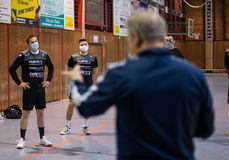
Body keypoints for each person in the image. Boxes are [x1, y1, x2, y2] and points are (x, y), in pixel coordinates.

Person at [64, 12, 214, 159]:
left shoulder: (120, 73)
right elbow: (206, 129)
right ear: (162, 38)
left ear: (135, 37)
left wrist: (77, 80)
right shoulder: (193, 74)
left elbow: (86, 107)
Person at [9, 35, 54, 149]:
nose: (35, 43)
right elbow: (11, 69)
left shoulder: (44, 54)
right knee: (26, 114)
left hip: (40, 89)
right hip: (29, 89)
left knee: (41, 113)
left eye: (36, 41)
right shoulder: (23, 55)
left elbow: (51, 67)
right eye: (32, 42)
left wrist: (48, 80)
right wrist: (19, 83)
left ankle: (42, 138)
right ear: (28, 44)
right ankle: (22, 139)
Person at [60, 38, 98, 135]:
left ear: (88, 45)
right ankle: (67, 126)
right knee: (71, 104)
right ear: (79, 46)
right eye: (81, 44)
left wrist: (91, 81)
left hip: (87, 86)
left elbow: (95, 71)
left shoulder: (93, 58)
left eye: (85, 44)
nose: (83, 46)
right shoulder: (73, 57)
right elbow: (69, 70)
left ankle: (85, 127)